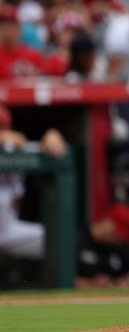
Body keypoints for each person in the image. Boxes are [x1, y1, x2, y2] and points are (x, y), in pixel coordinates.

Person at [0, 104, 67, 260]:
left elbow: (51, 148)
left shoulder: (15, 148)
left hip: (7, 229)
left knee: (57, 239)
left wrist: (52, 135)